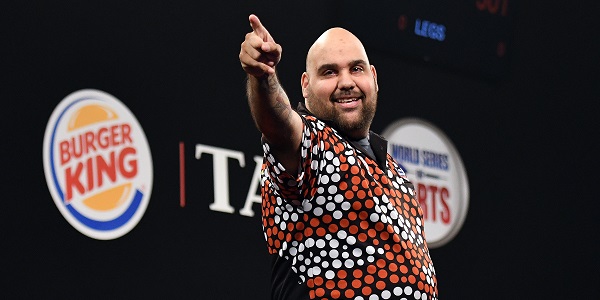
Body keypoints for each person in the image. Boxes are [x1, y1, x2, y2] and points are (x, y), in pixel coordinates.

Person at [239, 14, 438, 300]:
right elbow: (278, 124)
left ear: (374, 77)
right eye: (329, 72)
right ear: (306, 85)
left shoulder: (396, 173)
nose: (346, 82)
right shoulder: (312, 143)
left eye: (356, 69)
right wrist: (263, 76)